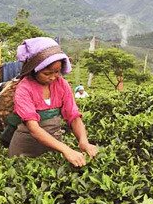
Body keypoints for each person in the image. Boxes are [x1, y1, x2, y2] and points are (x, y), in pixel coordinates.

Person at [8, 37, 98, 167]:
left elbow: (73, 116)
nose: (53, 77)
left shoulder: (61, 84)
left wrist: (83, 141)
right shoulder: (24, 88)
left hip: (55, 146)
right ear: (34, 69)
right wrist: (66, 149)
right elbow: (33, 128)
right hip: (25, 147)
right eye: (47, 73)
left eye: (57, 71)